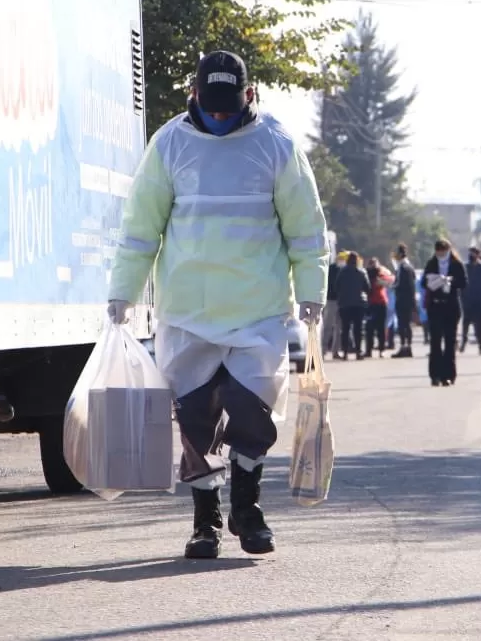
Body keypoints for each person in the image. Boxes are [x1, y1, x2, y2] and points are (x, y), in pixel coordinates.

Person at [107, 50, 329, 560]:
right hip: (187, 315)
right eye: (213, 107)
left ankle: (247, 509)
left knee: (253, 417)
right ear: (195, 96)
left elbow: (306, 231)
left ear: (249, 96)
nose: (221, 117)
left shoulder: (277, 146)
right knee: (195, 424)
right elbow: (140, 230)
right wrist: (122, 292)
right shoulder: (169, 145)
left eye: (230, 108)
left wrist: (313, 293)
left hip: (258, 313)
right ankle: (204, 520)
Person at [423, 239, 467, 386]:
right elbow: (424, 282)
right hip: (435, 307)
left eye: (444, 251)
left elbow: (464, 282)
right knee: (435, 342)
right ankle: (435, 375)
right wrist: (434, 280)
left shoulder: (456, 264)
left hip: (451, 307)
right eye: (438, 251)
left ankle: (448, 375)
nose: (441, 254)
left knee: (450, 342)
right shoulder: (431, 263)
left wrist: (450, 281)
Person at [334, 252, 369, 360]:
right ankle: (358, 352)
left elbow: (336, 286)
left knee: (345, 329)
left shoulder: (342, 272)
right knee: (358, 329)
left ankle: (345, 353)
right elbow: (367, 287)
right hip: (358, 304)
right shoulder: (361, 272)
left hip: (344, 304)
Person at [392, 243, 418, 357]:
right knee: (405, 324)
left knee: (404, 325)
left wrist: (390, 286)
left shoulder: (404, 268)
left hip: (403, 300)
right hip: (406, 300)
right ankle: (407, 347)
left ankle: (405, 347)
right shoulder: (408, 267)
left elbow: (403, 285)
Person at [364, 257, 392, 357]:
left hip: (380, 303)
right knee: (370, 329)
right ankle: (369, 350)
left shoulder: (381, 273)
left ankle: (381, 349)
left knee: (379, 328)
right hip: (371, 303)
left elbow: (390, 280)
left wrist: (381, 279)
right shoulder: (366, 274)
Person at [323, 251, 348, 359]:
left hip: (342, 301)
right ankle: (322, 350)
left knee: (339, 328)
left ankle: (335, 351)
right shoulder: (331, 269)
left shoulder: (345, 270)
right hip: (331, 300)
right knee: (328, 327)